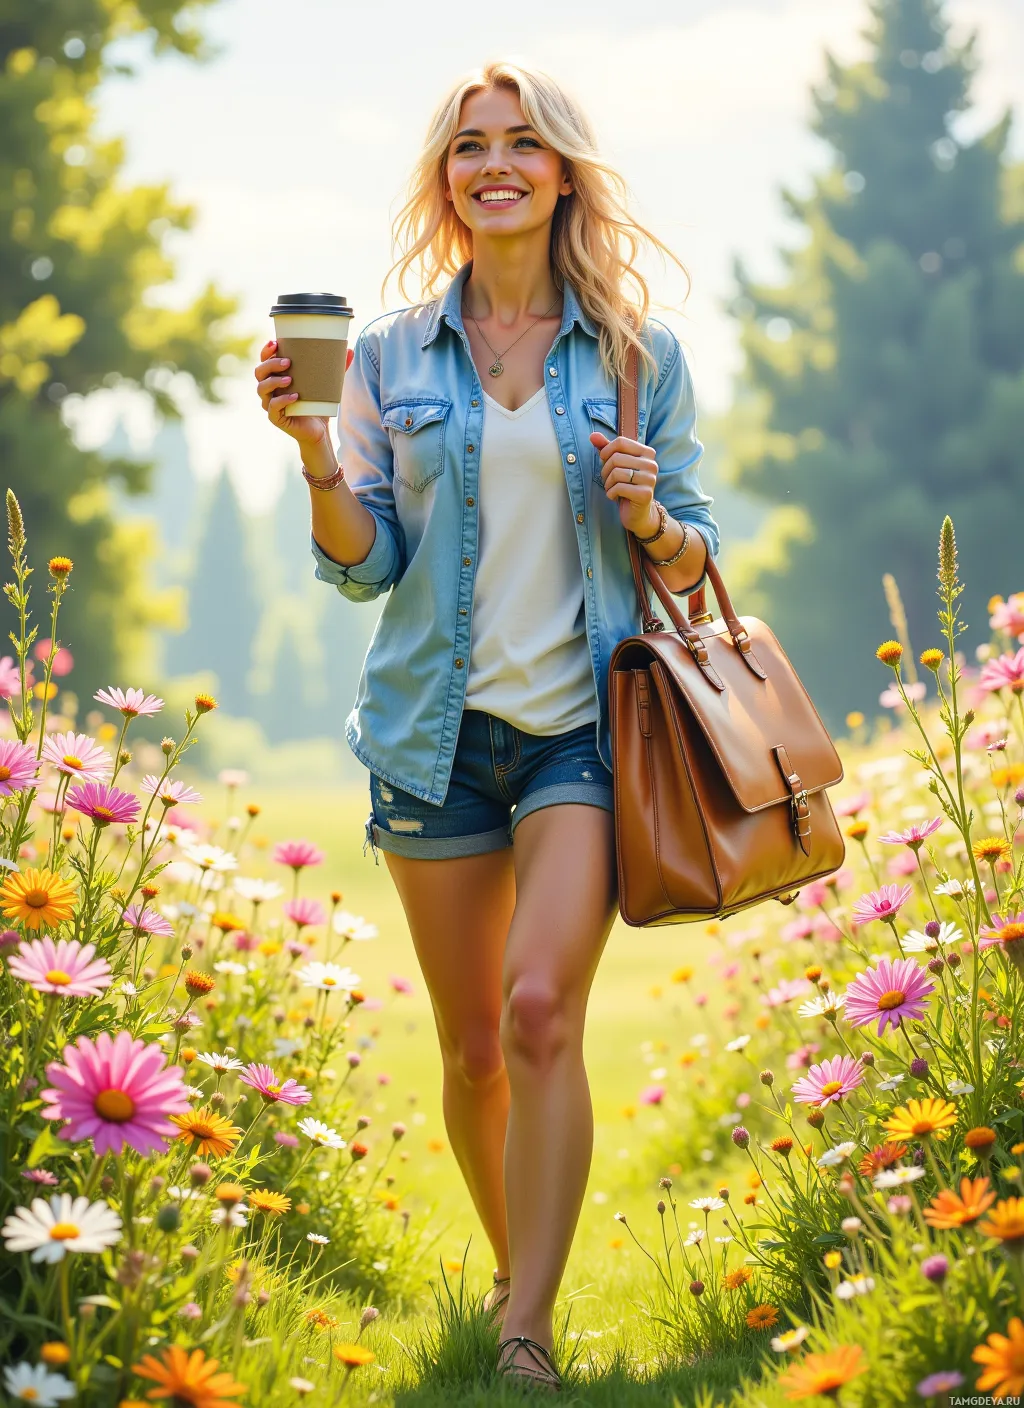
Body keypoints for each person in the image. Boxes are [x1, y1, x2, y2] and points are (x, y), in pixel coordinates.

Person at [255, 59, 719, 1392]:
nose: (497, 162)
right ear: (446, 180)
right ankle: (517, 1278)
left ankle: (525, 1331)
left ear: (564, 172)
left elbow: (694, 562)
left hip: (584, 729)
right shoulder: (392, 354)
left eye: (523, 142)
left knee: (537, 1015)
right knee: (469, 1051)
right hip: (432, 737)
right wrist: (310, 452)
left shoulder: (639, 357)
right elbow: (364, 563)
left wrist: (649, 517)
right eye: (471, 147)